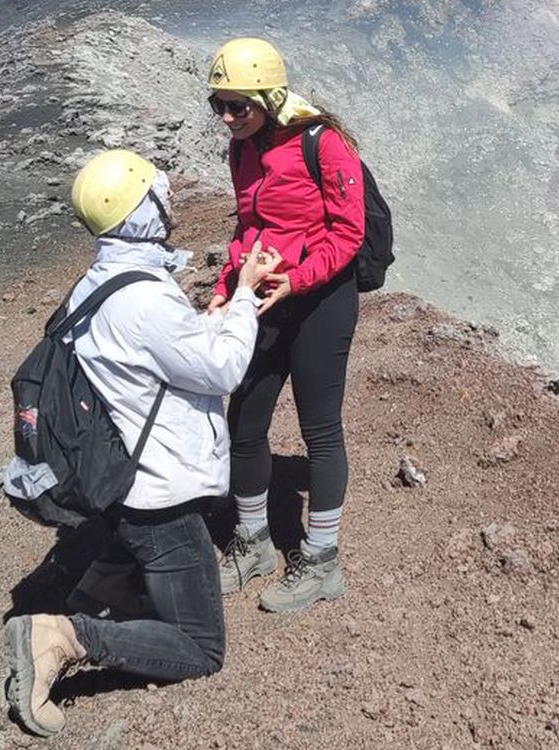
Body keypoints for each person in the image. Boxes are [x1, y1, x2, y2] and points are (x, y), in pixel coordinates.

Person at [2, 149, 278, 736]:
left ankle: (98, 589)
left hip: (120, 479)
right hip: (159, 497)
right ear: (142, 212)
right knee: (200, 646)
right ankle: (64, 637)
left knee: (140, 552)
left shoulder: (102, 282)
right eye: (159, 194)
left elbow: (159, 358)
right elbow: (222, 369)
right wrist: (246, 296)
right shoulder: (145, 296)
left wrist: (211, 318)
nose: (170, 200)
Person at [206, 38, 366, 612]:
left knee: (319, 429)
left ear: (269, 97)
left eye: (238, 106)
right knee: (244, 420)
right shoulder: (242, 148)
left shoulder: (324, 142)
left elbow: (349, 233)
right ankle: (253, 544)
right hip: (265, 295)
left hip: (322, 301)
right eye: (219, 105)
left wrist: (297, 281)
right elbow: (249, 226)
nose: (227, 118)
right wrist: (227, 287)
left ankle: (321, 562)